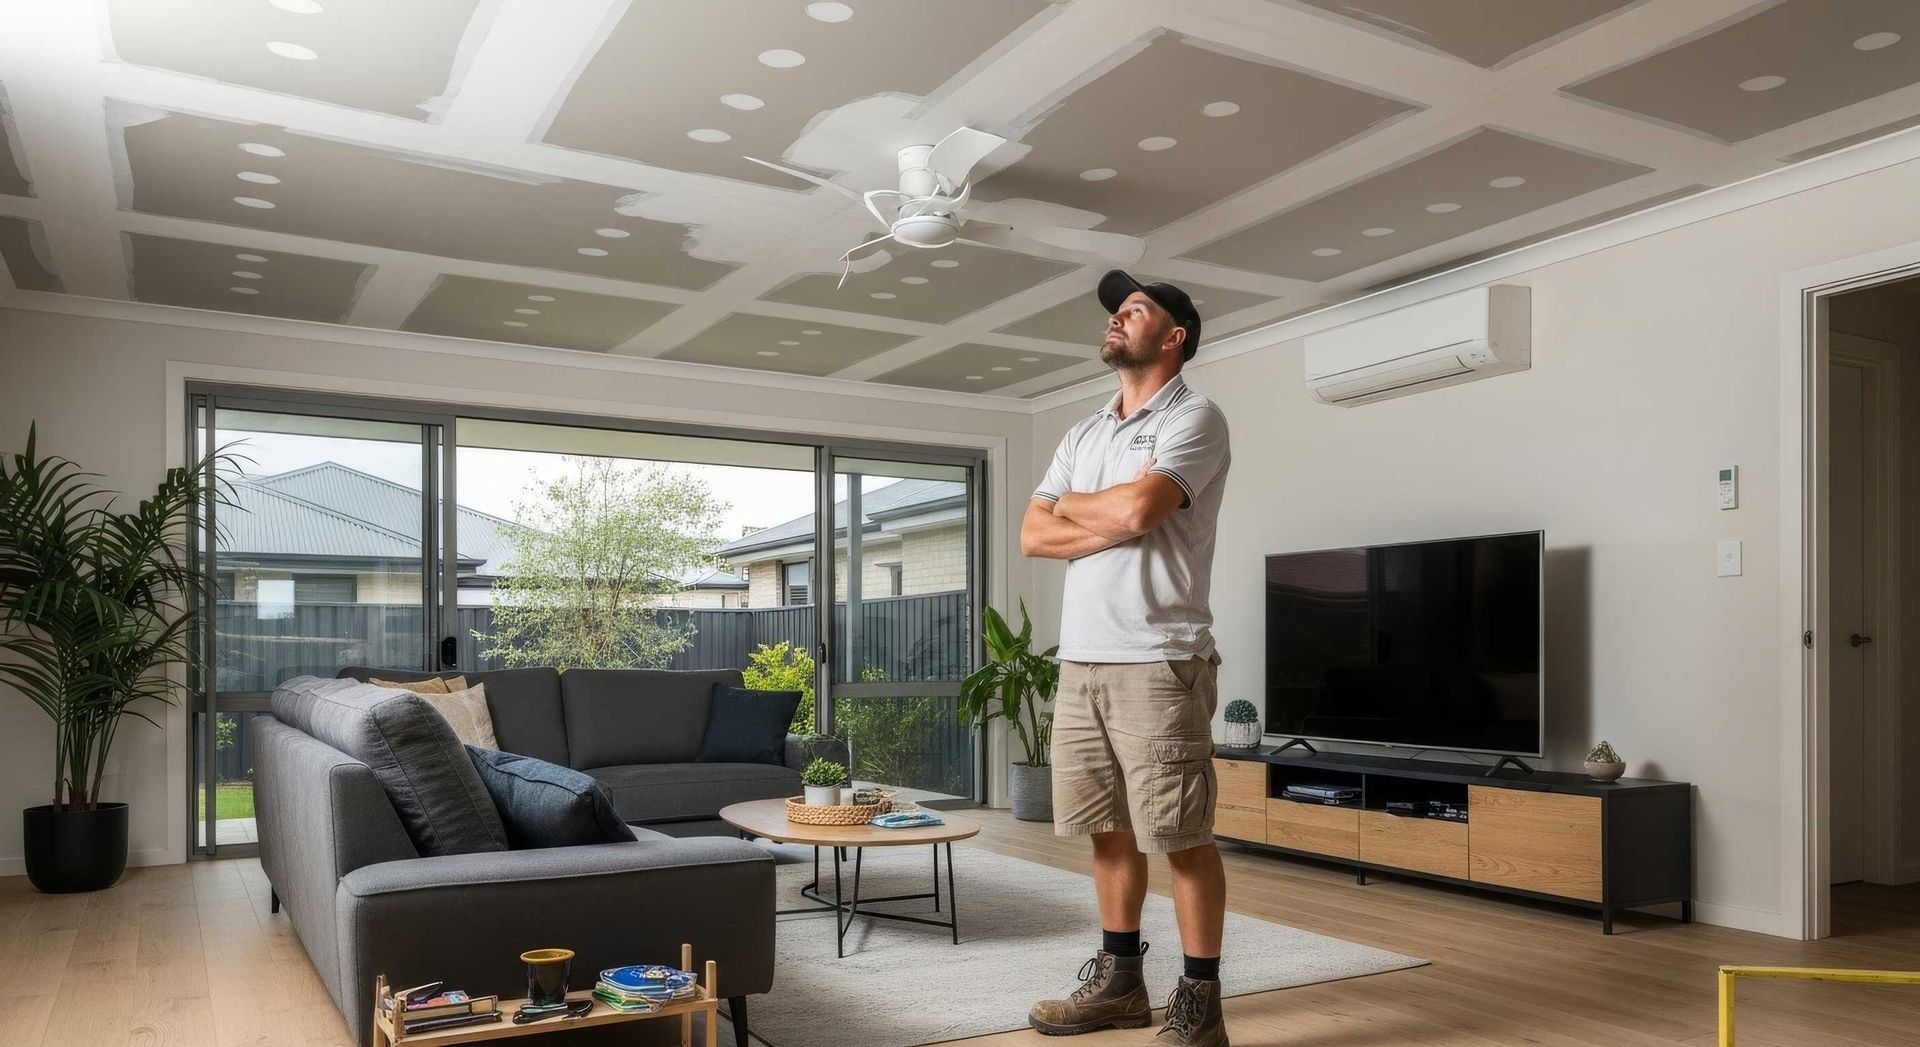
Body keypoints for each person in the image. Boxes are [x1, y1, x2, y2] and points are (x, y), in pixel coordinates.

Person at [1024, 271, 1231, 1046]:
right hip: (1081, 660)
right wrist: (1112, 511)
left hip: (1159, 658)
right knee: (1107, 830)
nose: (1117, 317)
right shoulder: (1083, 431)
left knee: (1180, 834)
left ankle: (1200, 1003)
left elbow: (1142, 508)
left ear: (1173, 335)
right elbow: (1031, 533)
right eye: (1116, 309)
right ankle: (1120, 983)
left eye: (1134, 310)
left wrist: (1094, 507)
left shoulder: (1197, 417)